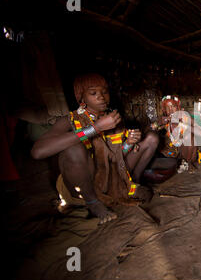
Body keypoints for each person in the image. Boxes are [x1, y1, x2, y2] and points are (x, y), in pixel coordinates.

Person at [31, 73, 159, 224]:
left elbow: (118, 156)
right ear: (81, 98)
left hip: (113, 176)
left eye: (104, 92)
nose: (101, 97)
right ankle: (93, 202)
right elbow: (37, 152)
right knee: (74, 149)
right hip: (86, 181)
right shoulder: (70, 119)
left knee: (152, 138)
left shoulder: (113, 118)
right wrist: (95, 128)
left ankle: (132, 183)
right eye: (93, 93)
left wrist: (130, 143)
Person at [151, 95, 200, 170]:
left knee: (189, 136)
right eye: (167, 107)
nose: (170, 110)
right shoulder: (164, 120)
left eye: (173, 106)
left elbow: (200, 132)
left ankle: (188, 162)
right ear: (164, 109)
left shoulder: (185, 118)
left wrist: (185, 126)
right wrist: (159, 123)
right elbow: (150, 129)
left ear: (178, 108)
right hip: (171, 152)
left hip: (186, 152)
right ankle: (178, 162)